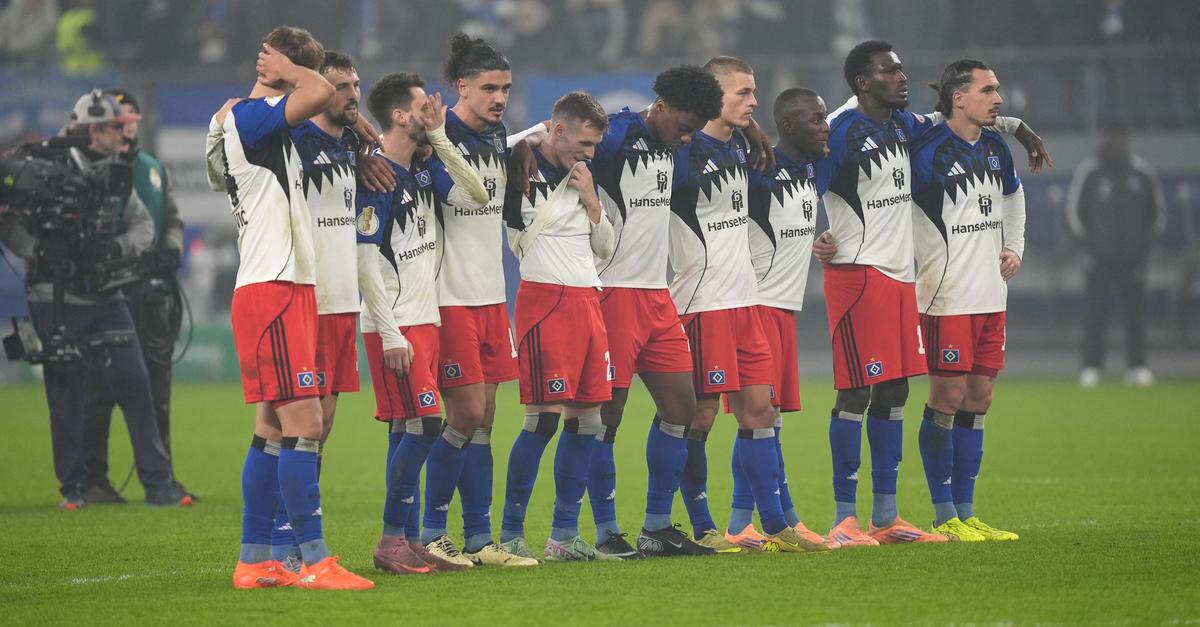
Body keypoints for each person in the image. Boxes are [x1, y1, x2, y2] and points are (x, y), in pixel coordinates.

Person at [817, 40, 1048, 546]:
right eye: (890, 70)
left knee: (895, 391)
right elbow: (800, 165)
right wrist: (816, 233)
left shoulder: (906, 126)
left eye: (901, 68)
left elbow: (955, 119)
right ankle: (843, 519)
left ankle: (887, 516)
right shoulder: (841, 129)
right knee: (856, 391)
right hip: (860, 275)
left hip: (901, 277)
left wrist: (1017, 128)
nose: (902, 76)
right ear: (862, 82)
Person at [505, 65, 724, 558]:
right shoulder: (618, 133)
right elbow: (555, 139)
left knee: (682, 408)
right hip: (611, 291)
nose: (688, 136)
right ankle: (604, 532)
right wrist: (523, 145)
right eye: (683, 125)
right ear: (661, 107)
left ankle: (656, 526)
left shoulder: (678, 145)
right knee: (604, 416)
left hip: (656, 292)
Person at [210, 25, 372, 590]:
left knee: (272, 429)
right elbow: (321, 95)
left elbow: (333, 109)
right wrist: (289, 71)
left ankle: (256, 561)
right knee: (305, 424)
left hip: (289, 285)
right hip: (272, 286)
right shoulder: (252, 119)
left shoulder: (276, 127)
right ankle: (315, 561)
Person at [0, 89, 189, 510]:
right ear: (88, 130)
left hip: (106, 293)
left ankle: (159, 486)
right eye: (108, 128)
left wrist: (112, 251)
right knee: (65, 395)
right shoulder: (41, 167)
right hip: (55, 296)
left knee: (137, 385)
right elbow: (8, 220)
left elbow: (142, 226)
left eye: (117, 127)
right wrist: (37, 250)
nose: (116, 135)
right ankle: (75, 489)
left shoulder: (118, 171)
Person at [670, 56, 825, 554]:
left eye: (754, 92)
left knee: (760, 412)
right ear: (712, 95)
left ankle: (777, 524)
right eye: (742, 93)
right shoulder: (680, 154)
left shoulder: (741, 146)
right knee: (701, 416)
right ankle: (702, 526)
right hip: (703, 300)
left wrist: (752, 127)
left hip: (747, 300)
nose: (753, 101)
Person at [355, 72, 491, 574]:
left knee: (407, 426)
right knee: (427, 422)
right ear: (397, 115)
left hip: (426, 319)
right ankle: (391, 538)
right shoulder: (378, 177)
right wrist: (389, 332)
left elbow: (477, 193)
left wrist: (438, 138)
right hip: (396, 324)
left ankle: (408, 540)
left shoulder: (420, 170)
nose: (433, 110)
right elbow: (365, 262)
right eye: (422, 106)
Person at [426, 33, 531, 566]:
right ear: (460, 87)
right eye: (489, 88)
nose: (499, 98)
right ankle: (429, 532)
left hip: (492, 296)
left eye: (506, 88)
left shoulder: (500, 136)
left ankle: (478, 539)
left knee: (486, 416)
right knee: (465, 414)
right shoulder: (435, 136)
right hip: (449, 298)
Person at [910, 59, 1025, 542]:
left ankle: (967, 510)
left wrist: (1014, 247)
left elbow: (1014, 199)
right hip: (945, 294)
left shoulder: (997, 146)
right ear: (959, 97)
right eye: (988, 89)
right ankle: (944, 515)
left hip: (990, 295)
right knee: (947, 397)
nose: (998, 99)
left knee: (980, 398)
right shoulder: (928, 151)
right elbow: (890, 205)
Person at [501, 91, 616, 560]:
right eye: (583, 143)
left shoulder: (582, 176)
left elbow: (605, 247)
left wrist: (591, 198)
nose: (588, 154)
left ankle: (564, 535)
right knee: (543, 419)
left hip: (589, 300)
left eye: (594, 146)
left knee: (589, 421)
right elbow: (482, 150)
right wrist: (526, 140)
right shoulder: (517, 167)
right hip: (545, 302)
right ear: (558, 128)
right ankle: (510, 532)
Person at [723, 87, 835, 550]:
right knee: (760, 416)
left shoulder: (809, 167)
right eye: (815, 119)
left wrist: (818, 242)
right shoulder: (757, 171)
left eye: (825, 117)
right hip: (755, 305)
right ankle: (779, 520)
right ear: (787, 126)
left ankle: (739, 525)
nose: (825, 126)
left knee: (766, 420)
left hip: (784, 309)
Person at [267, 49, 365, 573]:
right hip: (305, 296)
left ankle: (298, 537)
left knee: (321, 425)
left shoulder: (349, 141)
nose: (352, 94)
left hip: (342, 300)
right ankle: (283, 543)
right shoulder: (295, 140)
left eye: (356, 85)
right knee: (293, 427)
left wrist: (365, 136)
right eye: (341, 86)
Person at [80, 88, 195, 506]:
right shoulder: (92, 169)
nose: (125, 125)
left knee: (157, 391)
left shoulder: (151, 169)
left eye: (129, 117)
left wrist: (170, 249)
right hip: (107, 296)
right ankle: (93, 479)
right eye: (117, 118)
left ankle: (160, 478)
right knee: (99, 390)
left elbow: (174, 217)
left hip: (152, 296)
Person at [1066, 124, 1166, 388]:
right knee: (1095, 315)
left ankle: (1137, 366)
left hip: (1133, 261)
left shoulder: (1141, 173)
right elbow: (1075, 215)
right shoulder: (1090, 173)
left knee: (1135, 315)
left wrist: (1142, 252)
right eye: (1111, 137)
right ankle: (1092, 367)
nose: (1116, 143)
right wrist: (1088, 248)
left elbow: (1156, 217)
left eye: (1121, 137)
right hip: (1098, 260)